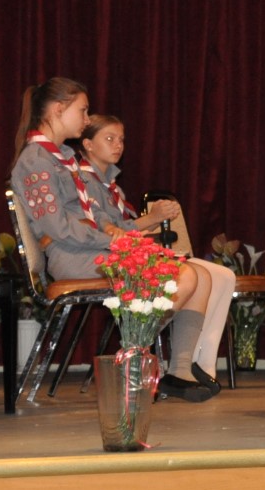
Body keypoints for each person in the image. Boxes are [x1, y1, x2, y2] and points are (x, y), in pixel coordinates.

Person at [8, 78, 216, 402]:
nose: (86, 118)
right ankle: (132, 356)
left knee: (199, 276)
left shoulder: (62, 158)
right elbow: (58, 227)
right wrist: (112, 241)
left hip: (88, 247)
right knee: (183, 275)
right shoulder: (36, 160)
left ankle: (177, 370)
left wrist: (115, 231)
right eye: (82, 110)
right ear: (58, 109)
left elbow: (90, 212)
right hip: (70, 255)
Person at [73, 114, 236, 399]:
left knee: (219, 275)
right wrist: (152, 219)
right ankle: (136, 350)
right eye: (109, 139)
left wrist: (150, 229)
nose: (118, 145)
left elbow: (123, 227)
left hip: (127, 251)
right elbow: (108, 230)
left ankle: (190, 366)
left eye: (121, 139)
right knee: (194, 276)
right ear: (87, 144)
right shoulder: (84, 182)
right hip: (102, 256)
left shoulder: (111, 185)